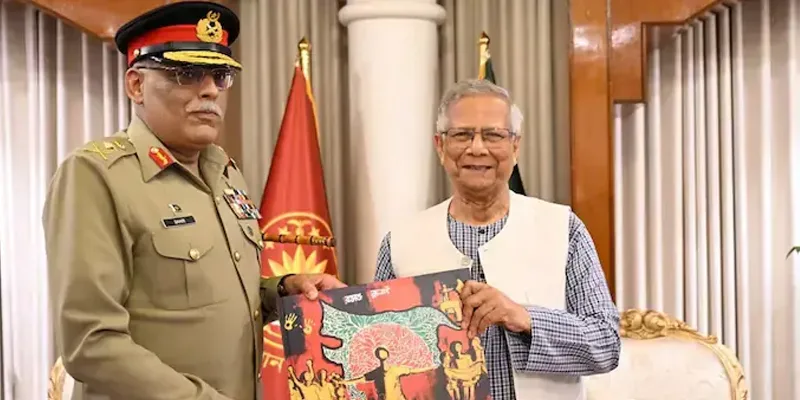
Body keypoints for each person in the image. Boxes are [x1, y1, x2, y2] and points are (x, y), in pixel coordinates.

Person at [42, 2, 345, 400]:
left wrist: (284, 290)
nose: (210, 90)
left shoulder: (224, 172)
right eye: (186, 74)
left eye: (220, 76)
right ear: (136, 85)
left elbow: (213, 296)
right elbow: (90, 342)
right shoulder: (97, 175)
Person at [373, 79, 621, 399]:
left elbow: (606, 344)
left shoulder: (564, 229)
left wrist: (523, 318)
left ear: (515, 146)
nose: (477, 148)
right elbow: (381, 345)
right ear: (440, 146)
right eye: (462, 135)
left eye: (493, 135)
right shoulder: (400, 242)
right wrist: (326, 305)